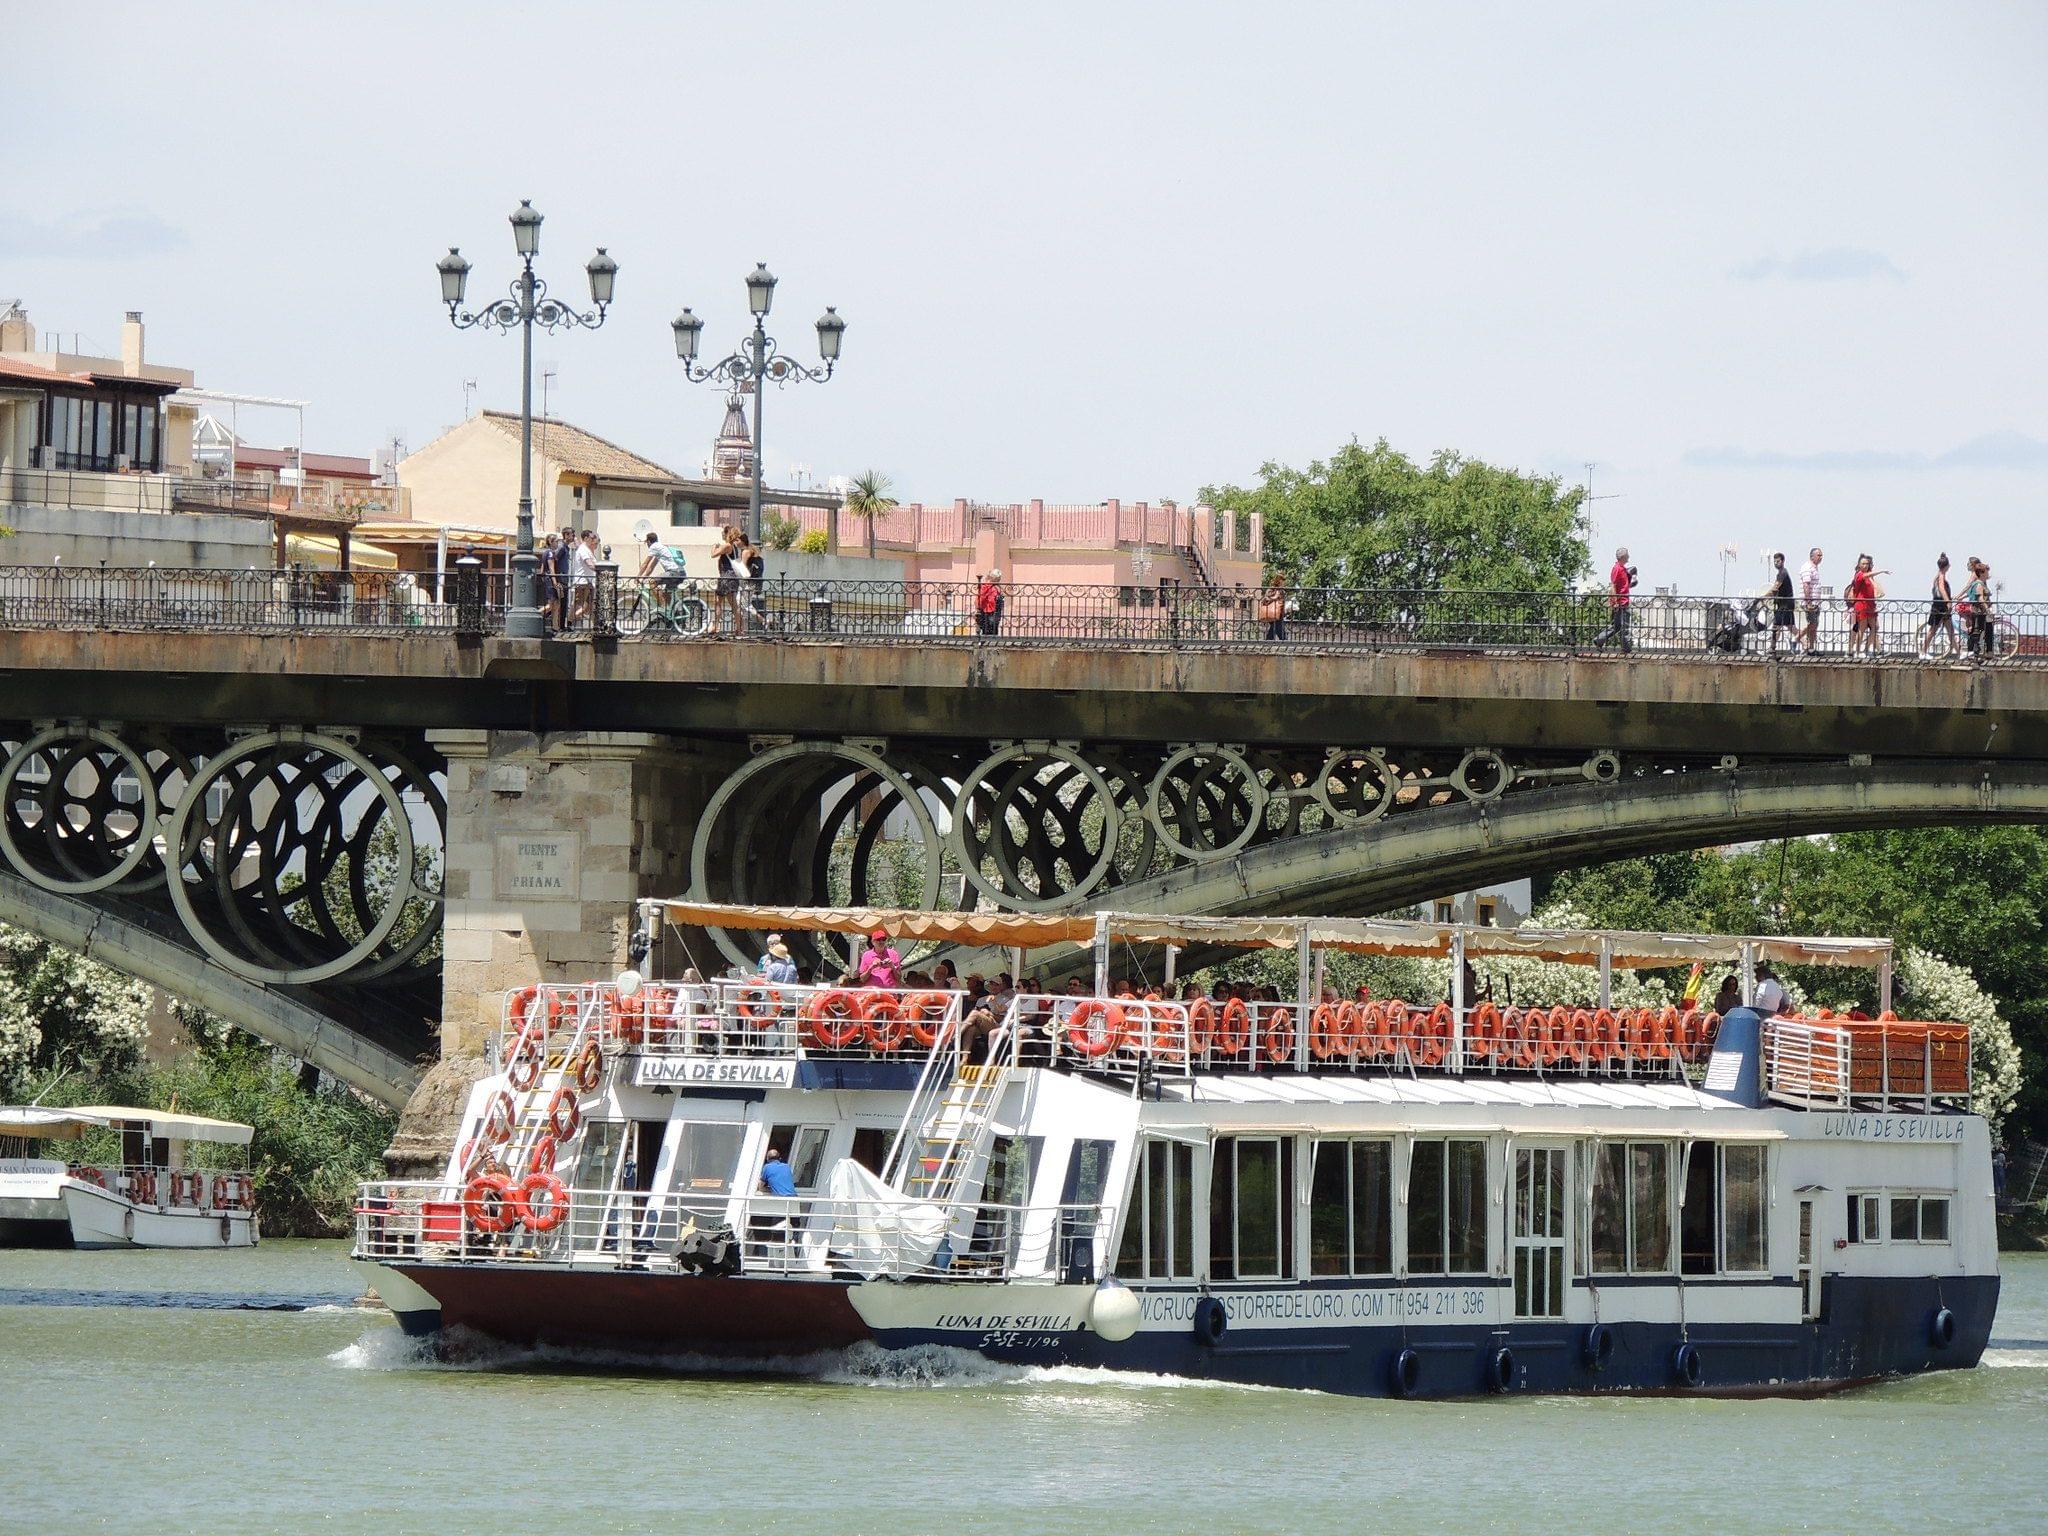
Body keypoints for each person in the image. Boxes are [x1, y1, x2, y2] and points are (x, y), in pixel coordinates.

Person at [1592, 546, 1633, 653]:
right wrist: (1615, 601)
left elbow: (1624, 585)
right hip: (1621, 601)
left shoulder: (1622, 569)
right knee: (1624, 626)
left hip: (1623, 600)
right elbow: (1613, 586)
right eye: (1627, 554)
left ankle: (1599, 640)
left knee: (1616, 626)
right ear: (1623, 556)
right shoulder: (1617, 568)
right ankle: (1626, 649)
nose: (1628, 556)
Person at [639, 530, 689, 616]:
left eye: (646, 542)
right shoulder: (661, 548)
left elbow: (645, 564)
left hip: (674, 572)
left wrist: (638, 576)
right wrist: (643, 578)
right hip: (680, 573)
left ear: (649, 541)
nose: (646, 544)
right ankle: (671, 614)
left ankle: (663, 607)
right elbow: (651, 567)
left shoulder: (654, 547)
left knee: (652, 582)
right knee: (667, 594)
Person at [1920, 553, 1957, 659]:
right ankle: (1923, 652)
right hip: (1940, 607)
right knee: (1933, 630)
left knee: (1950, 630)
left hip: (1940, 606)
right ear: (1948, 566)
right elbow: (1941, 588)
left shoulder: (1939, 575)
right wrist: (1948, 602)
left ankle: (1960, 652)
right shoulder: (1941, 576)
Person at [712, 524, 745, 636]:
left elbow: (713, 555)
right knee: (733, 604)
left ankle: (716, 626)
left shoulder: (727, 546)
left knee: (718, 602)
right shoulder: (735, 548)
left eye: (723, 532)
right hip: (733, 576)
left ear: (727, 534)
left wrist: (714, 546)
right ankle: (739, 628)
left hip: (726, 576)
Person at [1959, 558, 1995, 659]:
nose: (1988, 574)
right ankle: (1973, 652)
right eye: (1987, 572)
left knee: (1982, 630)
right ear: (1982, 573)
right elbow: (1980, 598)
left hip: (1981, 611)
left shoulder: (1981, 583)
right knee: (1977, 631)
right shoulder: (1979, 584)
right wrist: (1987, 609)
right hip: (1980, 611)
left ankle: (1986, 652)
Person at [1845, 554, 1880, 657]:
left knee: (1874, 628)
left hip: (1870, 605)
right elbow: (1865, 576)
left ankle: (1865, 649)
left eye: (1867, 564)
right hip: (1862, 605)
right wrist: (1881, 571)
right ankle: (1857, 651)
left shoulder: (1869, 576)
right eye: (1863, 564)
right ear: (1859, 565)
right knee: (1861, 628)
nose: (1865, 566)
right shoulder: (1859, 574)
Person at [567, 528, 599, 629]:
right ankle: (571, 622)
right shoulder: (583, 550)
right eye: (592, 537)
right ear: (586, 538)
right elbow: (589, 564)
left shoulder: (588, 550)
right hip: (582, 582)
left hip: (589, 582)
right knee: (578, 604)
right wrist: (601, 570)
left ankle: (572, 620)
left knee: (588, 606)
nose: (593, 539)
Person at [1768, 552, 1797, 655]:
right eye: (1775, 562)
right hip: (1783, 604)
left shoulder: (1782, 573)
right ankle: (1772, 648)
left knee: (1782, 626)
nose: (1776, 563)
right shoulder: (1781, 573)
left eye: (1778, 561)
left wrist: (1764, 596)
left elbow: (1775, 587)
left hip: (1785, 604)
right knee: (1780, 626)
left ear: (1783, 561)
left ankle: (1772, 648)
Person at [1798, 548, 1824, 653]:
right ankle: (1797, 638)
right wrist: (1809, 602)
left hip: (1815, 602)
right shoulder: (1807, 567)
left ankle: (1811, 648)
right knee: (1812, 624)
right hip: (1810, 603)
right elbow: (1806, 585)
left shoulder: (1814, 568)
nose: (1821, 558)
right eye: (1819, 555)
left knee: (1815, 625)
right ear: (1812, 556)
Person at [742, 536, 769, 631]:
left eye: (737, 540)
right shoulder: (754, 551)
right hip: (756, 582)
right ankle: (741, 628)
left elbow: (743, 569)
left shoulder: (746, 552)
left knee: (744, 604)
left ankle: (762, 620)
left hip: (749, 583)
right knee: (741, 603)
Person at [539, 531, 563, 630]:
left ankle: (555, 626)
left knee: (556, 604)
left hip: (548, 580)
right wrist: (555, 583)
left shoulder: (545, 552)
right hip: (551, 581)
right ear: (551, 542)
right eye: (556, 541)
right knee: (551, 604)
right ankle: (535, 615)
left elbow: (541, 569)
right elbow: (551, 568)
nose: (557, 543)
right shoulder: (550, 553)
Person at [976, 568, 1004, 637]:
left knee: (991, 633)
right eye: (998, 579)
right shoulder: (987, 587)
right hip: (988, 613)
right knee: (989, 633)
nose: (999, 581)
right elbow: (981, 599)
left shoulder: (993, 587)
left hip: (993, 613)